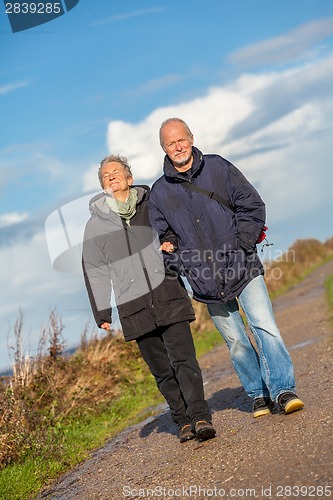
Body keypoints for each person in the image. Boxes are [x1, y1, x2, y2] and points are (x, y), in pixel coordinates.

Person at [148, 118, 305, 418]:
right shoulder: (159, 193)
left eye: (182, 139)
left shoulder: (219, 168)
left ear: (191, 138)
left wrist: (243, 244)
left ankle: (283, 390)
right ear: (163, 148)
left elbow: (252, 205)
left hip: (242, 266)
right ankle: (258, 394)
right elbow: (162, 240)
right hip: (205, 280)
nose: (178, 146)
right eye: (171, 143)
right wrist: (182, 264)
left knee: (265, 327)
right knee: (235, 341)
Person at [82, 154, 216, 443]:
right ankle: (182, 420)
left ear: (129, 178)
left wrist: (172, 243)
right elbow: (94, 268)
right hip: (135, 306)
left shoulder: (152, 202)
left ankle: (200, 416)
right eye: (106, 175)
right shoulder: (95, 226)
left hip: (167, 291)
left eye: (117, 172)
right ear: (102, 186)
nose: (112, 177)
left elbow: (176, 228)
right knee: (162, 370)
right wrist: (102, 312)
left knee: (184, 359)